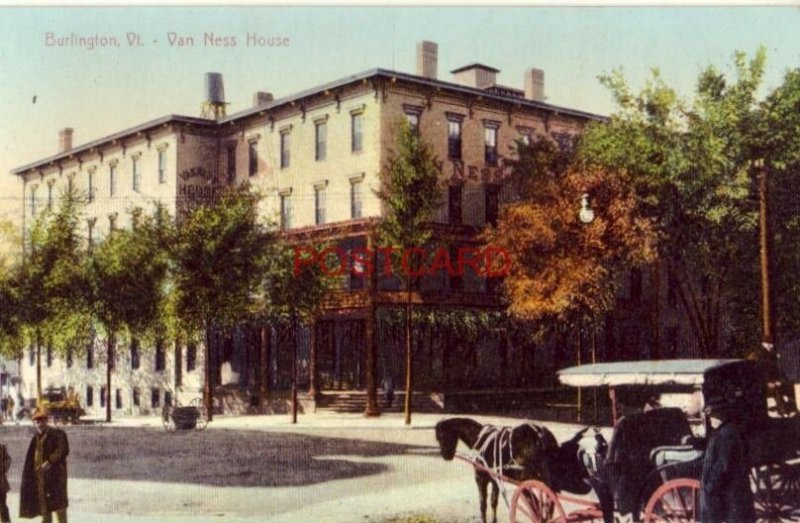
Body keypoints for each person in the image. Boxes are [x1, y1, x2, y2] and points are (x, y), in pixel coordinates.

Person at [699, 400, 756, 523]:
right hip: (736, 491)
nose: (711, 419)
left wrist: (710, 486)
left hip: (732, 493)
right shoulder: (728, 431)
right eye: (711, 416)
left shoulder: (725, 435)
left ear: (722, 416)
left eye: (714, 416)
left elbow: (723, 465)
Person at [20, 408, 69, 523]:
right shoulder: (35, 438)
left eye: (41, 420)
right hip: (41, 480)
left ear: (46, 421)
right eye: (36, 421)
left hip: (56, 478)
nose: (39, 423)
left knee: (59, 508)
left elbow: (63, 450)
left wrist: (50, 461)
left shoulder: (58, 434)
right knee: (45, 510)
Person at [0, 437, 10, 523]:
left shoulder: (2, 447)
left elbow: (8, 459)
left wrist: (2, 468)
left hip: (1, 483)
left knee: (2, 506)